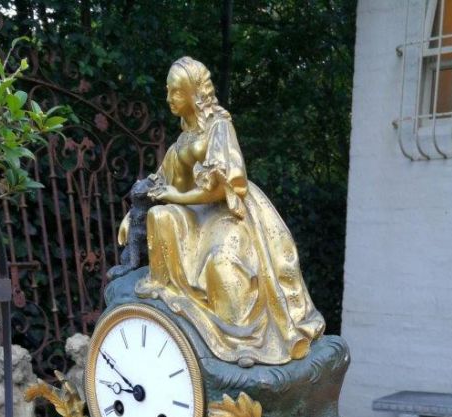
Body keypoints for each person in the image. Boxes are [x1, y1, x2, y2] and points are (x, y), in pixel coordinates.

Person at [123, 57, 325, 366]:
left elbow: (222, 188)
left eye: (175, 92)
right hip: (194, 219)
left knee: (222, 263)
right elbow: (160, 183)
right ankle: (171, 297)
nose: (169, 99)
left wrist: (175, 195)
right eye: (168, 91)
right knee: (159, 216)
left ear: (193, 93)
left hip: (227, 212)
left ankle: (243, 340)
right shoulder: (180, 144)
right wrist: (134, 212)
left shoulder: (219, 127)